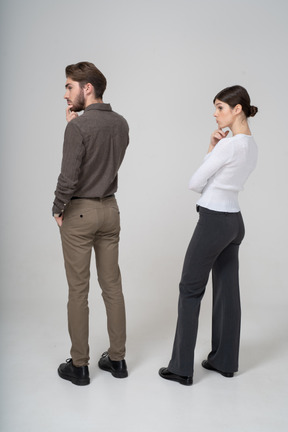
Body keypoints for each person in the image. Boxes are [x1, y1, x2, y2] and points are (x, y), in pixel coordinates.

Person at [159, 85, 258, 386]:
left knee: (190, 289)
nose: (215, 115)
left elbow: (195, 182)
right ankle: (224, 361)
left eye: (220, 108)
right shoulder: (251, 145)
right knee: (228, 292)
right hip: (235, 221)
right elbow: (219, 183)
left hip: (214, 220)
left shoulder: (228, 146)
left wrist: (211, 149)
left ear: (237, 108)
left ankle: (181, 368)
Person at [52, 62, 129, 386]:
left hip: (80, 213)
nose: (65, 93)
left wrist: (58, 208)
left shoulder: (79, 128)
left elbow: (70, 176)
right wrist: (76, 125)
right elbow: (105, 162)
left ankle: (80, 366)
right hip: (110, 210)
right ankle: (117, 359)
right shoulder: (121, 123)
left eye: (70, 86)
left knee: (78, 290)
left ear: (87, 88)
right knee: (112, 287)